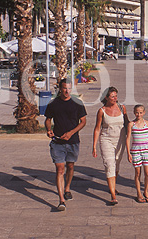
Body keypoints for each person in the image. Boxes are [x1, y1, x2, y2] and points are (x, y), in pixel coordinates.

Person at [44, 79, 87, 211]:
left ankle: (67, 188)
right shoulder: (53, 104)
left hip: (73, 141)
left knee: (70, 166)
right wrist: (49, 130)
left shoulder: (77, 103)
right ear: (60, 89)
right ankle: (61, 200)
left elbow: (83, 121)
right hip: (57, 141)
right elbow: (48, 119)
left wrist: (71, 133)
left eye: (69, 88)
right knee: (60, 169)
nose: (67, 91)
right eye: (64, 88)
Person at [92, 87, 128, 205]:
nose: (115, 98)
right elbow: (97, 128)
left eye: (116, 96)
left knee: (116, 163)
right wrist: (94, 146)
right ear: (106, 97)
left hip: (120, 140)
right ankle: (113, 195)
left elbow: (127, 124)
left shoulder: (122, 108)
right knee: (109, 165)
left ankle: (112, 186)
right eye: (112, 96)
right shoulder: (101, 111)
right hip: (106, 139)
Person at [126, 104, 148, 203]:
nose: (138, 114)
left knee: (147, 173)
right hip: (135, 150)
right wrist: (128, 153)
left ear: (144, 112)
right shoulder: (131, 124)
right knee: (138, 173)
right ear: (134, 113)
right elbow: (128, 138)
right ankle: (139, 193)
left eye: (140, 112)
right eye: (137, 112)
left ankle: (146, 191)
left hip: (146, 149)